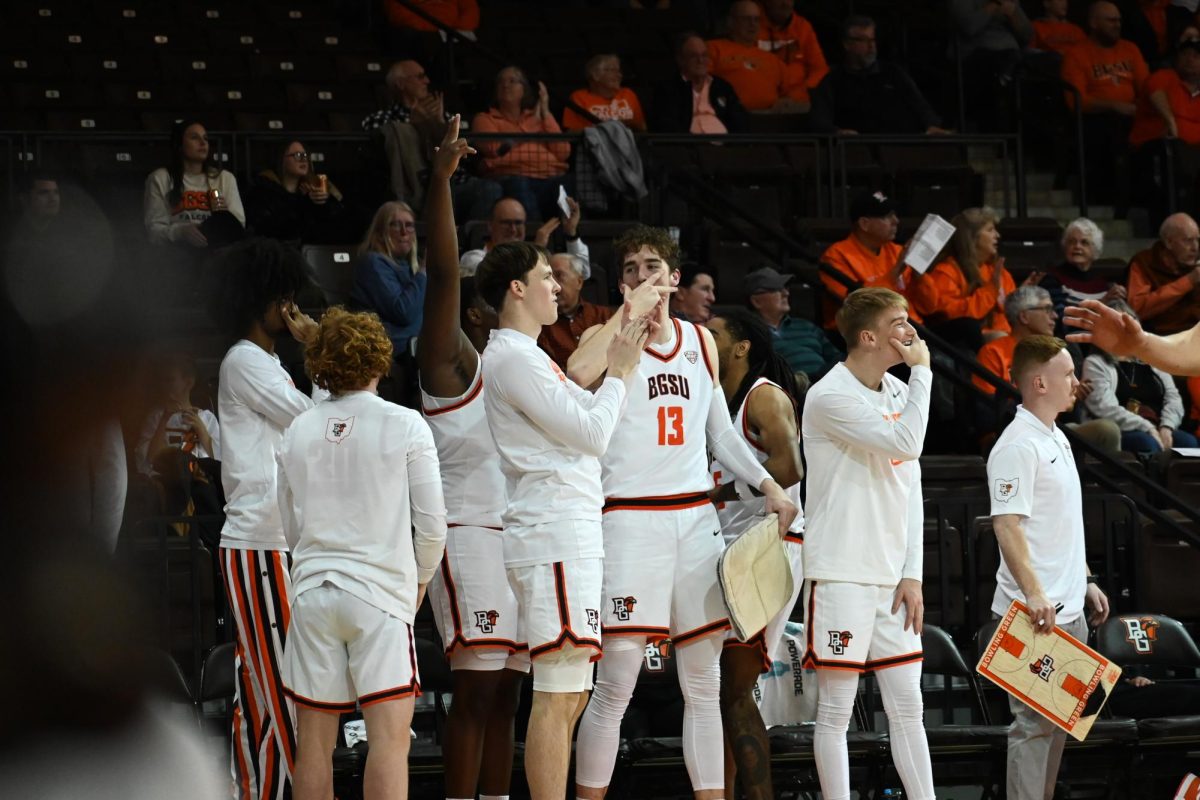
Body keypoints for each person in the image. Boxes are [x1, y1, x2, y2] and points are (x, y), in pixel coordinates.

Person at [568, 226, 798, 800]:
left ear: (674, 278)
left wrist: (770, 484)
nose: (642, 276)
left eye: (653, 267)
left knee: (703, 681)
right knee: (616, 681)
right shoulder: (609, 335)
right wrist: (627, 317)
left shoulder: (700, 341)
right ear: (620, 282)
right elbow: (575, 372)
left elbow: (720, 431)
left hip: (695, 521)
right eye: (630, 269)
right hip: (628, 521)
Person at [476, 240, 650, 800]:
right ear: (516, 289)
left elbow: (580, 421)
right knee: (556, 694)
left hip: (566, 531)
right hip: (552, 534)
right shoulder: (512, 356)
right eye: (546, 276)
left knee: (573, 692)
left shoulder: (528, 353)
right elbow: (594, 436)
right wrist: (620, 374)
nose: (558, 285)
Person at [278, 307, 446, 800]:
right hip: (380, 597)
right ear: (379, 357)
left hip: (312, 592)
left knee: (312, 748)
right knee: (390, 744)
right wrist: (417, 584)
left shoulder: (298, 429)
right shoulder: (406, 423)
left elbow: (290, 526)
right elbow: (433, 525)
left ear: (320, 362)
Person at [416, 116, 528, 800]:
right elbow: (439, 277)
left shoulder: (521, 372)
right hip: (467, 537)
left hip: (519, 538)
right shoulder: (452, 365)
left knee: (509, 704)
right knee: (478, 695)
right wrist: (438, 182)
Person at [801, 287, 935, 800]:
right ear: (869, 336)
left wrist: (914, 572)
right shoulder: (829, 395)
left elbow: (912, 485)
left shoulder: (900, 395)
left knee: (909, 707)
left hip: (892, 578)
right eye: (900, 323)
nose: (910, 331)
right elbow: (908, 442)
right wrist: (921, 371)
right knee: (836, 710)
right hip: (842, 571)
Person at [209, 238, 322, 800]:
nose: (292, 308)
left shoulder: (264, 362)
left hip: (272, 545)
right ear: (264, 300)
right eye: (285, 298)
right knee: (281, 692)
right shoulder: (245, 361)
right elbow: (314, 424)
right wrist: (323, 349)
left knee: (262, 690)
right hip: (258, 544)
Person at [987, 335, 1110, 800]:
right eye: (1068, 375)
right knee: (1034, 729)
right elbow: (1007, 525)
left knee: (1059, 724)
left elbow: (1058, 524)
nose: (1076, 383)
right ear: (1039, 382)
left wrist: (1086, 580)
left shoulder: (1055, 434)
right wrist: (1036, 593)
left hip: (1066, 609)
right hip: (1032, 613)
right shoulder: (1017, 445)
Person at [706, 308, 806, 800]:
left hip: (771, 545)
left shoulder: (763, 397)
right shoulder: (716, 402)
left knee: (734, 687)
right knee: (721, 690)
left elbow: (790, 466)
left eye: (716, 332)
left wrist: (718, 496)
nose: (706, 337)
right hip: (734, 549)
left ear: (742, 346)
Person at [363, 60, 501, 222]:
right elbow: (380, 150)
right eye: (420, 77)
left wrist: (438, 124)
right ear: (401, 84)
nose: (427, 81)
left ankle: (467, 239)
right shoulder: (381, 119)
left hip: (455, 180)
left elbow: (463, 156)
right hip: (419, 186)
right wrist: (414, 124)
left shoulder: (442, 116)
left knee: (492, 189)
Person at [1061, 1, 1150, 202]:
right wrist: (1113, 106)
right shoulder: (1077, 54)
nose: (1117, 25)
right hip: (1095, 120)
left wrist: (1139, 107)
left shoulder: (1130, 49)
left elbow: (1146, 87)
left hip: (1133, 115)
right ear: (1093, 23)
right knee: (1114, 128)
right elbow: (1075, 101)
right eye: (1110, 20)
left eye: (1119, 20)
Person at [1081, 299, 1197, 452]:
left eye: (1130, 320)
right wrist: (1147, 427)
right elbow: (1104, 408)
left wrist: (1167, 426)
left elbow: (1173, 397)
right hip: (1123, 428)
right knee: (1147, 444)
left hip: (1158, 425)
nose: (1126, 328)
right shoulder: (1096, 362)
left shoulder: (1153, 360)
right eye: (1118, 323)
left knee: (1190, 443)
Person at [810, 15, 952, 135]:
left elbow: (920, 105)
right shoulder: (833, 81)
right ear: (847, 44)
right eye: (864, 40)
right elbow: (820, 120)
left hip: (899, 150)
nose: (871, 46)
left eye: (872, 40)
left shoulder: (893, 73)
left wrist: (931, 124)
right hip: (856, 154)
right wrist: (837, 132)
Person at [910, 206, 1019, 352]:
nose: (997, 235)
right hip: (972, 341)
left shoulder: (996, 270)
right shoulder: (946, 272)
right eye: (990, 230)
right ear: (972, 237)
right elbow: (956, 317)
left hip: (1007, 334)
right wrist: (990, 290)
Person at [472, 66, 572, 222]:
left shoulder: (540, 118)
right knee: (518, 184)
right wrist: (531, 127)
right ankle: (534, 239)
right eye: (501, 82)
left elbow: (562, 152)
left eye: (512, 81)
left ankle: (568, 236)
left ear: (523, 89)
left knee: (567, 184)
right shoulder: (485, 119)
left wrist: (545, 113)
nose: (505, 85)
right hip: (511, 178)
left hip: (548, 177)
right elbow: (495, 148)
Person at [820, 190, 921, 331]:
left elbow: (929, 306)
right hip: (863, 334)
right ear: (864, 224)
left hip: (911, 329)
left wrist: (919, 274)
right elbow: (856, 308)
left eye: (895, 215)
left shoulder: (896, 251)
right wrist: (896, 271)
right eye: (887, 216)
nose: (896, 221)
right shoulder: (837, 256)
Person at [144, 119, 244, 248]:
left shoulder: (224, 178)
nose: (203, 143)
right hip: (178, 253)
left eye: (205, 139)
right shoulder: (160, 178)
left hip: (218, 251)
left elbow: (239, 224)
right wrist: (181, 232)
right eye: (194, 138)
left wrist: (217, 224)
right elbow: (154, 231)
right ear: (179, 144)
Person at [350, 201, 425, 359]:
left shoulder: (413, 266)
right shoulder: (373, 263)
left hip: (421, 348)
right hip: (393, 352)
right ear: (380, 231)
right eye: (396, 225)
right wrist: (424, 272)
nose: (404, 232)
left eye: (409, 225)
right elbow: (402, 311)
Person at [745, 266, 843, 383]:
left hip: (827, 384)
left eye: (785, 288)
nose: (786, 293)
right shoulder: (749, 334)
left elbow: (838, 358)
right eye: (776, 289)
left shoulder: (806, 326)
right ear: (756, 301)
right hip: (787, 393)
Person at [707, 1, 809, 113]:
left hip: (769, 119)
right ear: (731, 22)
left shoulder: (773, 60)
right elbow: (700, 84)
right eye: (746, 19)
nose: (753, 24)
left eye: (756, 19)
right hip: (728, 117)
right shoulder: (713, 48)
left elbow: (789, 94)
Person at [245, 140, 350, 246]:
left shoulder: (312, 187)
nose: (304, 159)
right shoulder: (263, 190)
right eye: (297, 155)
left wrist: (323, 202)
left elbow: (336, 223)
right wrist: (305, 202)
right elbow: (272, 229)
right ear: (281, 159)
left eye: (305, 155)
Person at [951, 0, 1033, 129]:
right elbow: (969, 26)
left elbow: (1027, 35)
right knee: (995, 68)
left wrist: (1013, 15)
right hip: (977, 51)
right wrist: (994, 6)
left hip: (1012, 52)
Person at [459, 196, 589, 276]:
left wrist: (572, 233)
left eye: (518, 223)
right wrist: (535, 251)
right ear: (490, 226)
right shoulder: (474, 259)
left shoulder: (542, 260)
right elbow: (504, 279)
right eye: (506, 223)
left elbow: (583, 273)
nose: (513, 230)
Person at [1038, 217, 1126, 331]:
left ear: (1095, 250)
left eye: (1084, 242)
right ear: (1065, 247)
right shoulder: (1052, 279)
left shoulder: (1103, 284)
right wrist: (1101, 303)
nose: (1077, 246)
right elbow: (1061, 320)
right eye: (1072, 242)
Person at [652, 32, 748, 134]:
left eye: (704, 55)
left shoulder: (722, 87)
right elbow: (667, 126)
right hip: (688, 147)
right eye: (694, 56)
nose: (700, 60)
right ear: (681, 59)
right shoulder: (668, 89)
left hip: (725, 147)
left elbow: (740, 122)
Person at [1127, 212, 1200, 334]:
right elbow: (1137, 308)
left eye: (1197, 240)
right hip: (1162, 337)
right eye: (1188, 241)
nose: (1195, 247)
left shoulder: (1194, 265)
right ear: (1169, 242)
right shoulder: (1144, 262)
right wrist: (1188, 281)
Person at [538, 253, 613, 369]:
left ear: (579, 282)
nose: (553, 284)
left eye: (559, 275)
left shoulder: (605, 316)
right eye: (548, 277)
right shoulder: (541, 325)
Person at [756, 0, 829, 102]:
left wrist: (799, 94)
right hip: (760, 100)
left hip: (798, 102)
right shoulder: (752, 25)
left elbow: (819, 69)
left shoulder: (802, 27)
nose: (786, 3)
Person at [562, 54, 647, 132]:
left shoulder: (628, 94)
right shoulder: (578, 97)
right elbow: (571, 132)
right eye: (613, 70)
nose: (619, 75)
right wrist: (608, 128)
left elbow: (642, 128)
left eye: (619, 71)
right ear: (595, 75)